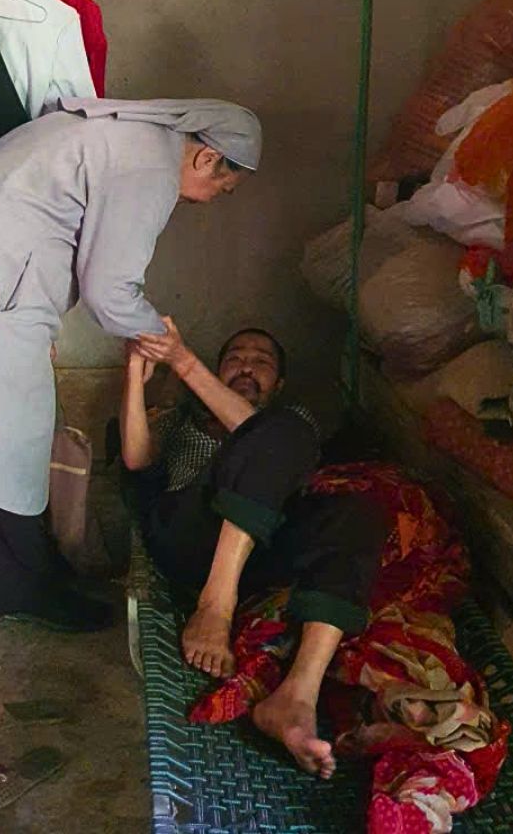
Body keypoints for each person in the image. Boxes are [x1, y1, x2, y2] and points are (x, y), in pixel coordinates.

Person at [0, 98, 262, 632]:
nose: (211, 199)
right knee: (7, 433)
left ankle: (11, 576)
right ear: (206, 159)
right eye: (223, 188)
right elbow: (111, 291)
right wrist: (162, 340)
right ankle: (15, 588)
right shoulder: (151, 167)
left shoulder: (136, 141)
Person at [120, 324, 390, 776]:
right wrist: (133, 370)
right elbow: (136, 462)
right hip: (190, 535)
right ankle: (214, 605)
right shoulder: (181, 420)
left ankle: (296, 696)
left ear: (278, 384)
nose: (246, 366)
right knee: (275, 433)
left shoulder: (291, 425)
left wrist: (183, 359)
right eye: (235, 358)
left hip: (260, 549)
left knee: (356, 513)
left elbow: (255, 429)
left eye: (261, 361)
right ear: (216, 370)